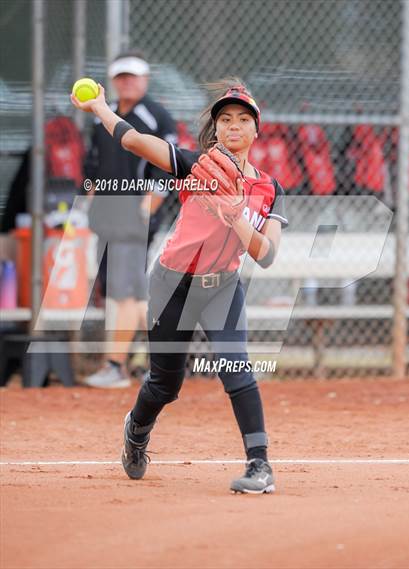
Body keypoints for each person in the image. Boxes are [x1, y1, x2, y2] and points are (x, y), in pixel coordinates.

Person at [71, 77, 288, 494]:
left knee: (235, 366)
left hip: (222, 285)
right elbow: (135, 142)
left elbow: (266, 255)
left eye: (244, 119)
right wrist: (99, 108)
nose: (234, 126)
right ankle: (136, 430)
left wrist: (234, 214)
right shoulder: (196, 165)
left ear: (256, 130)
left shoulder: (270, 189)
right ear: (217, 128)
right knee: (165, 384)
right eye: (226, 119)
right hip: (172, 283)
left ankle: (260, 465)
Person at [84, 51, 178, 388]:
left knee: (124, 295)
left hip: (132, 220)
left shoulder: (155, 116)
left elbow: (167, 166)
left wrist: (146, 209)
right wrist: (89, 200)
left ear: (145, 80)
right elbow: (92, 165)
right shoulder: (101, 117)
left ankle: (115, 366)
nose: (127, 82)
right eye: (121, 77)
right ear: (112, 82)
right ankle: (169, 356)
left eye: (133, 76)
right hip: (105, 218)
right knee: (131, 295)